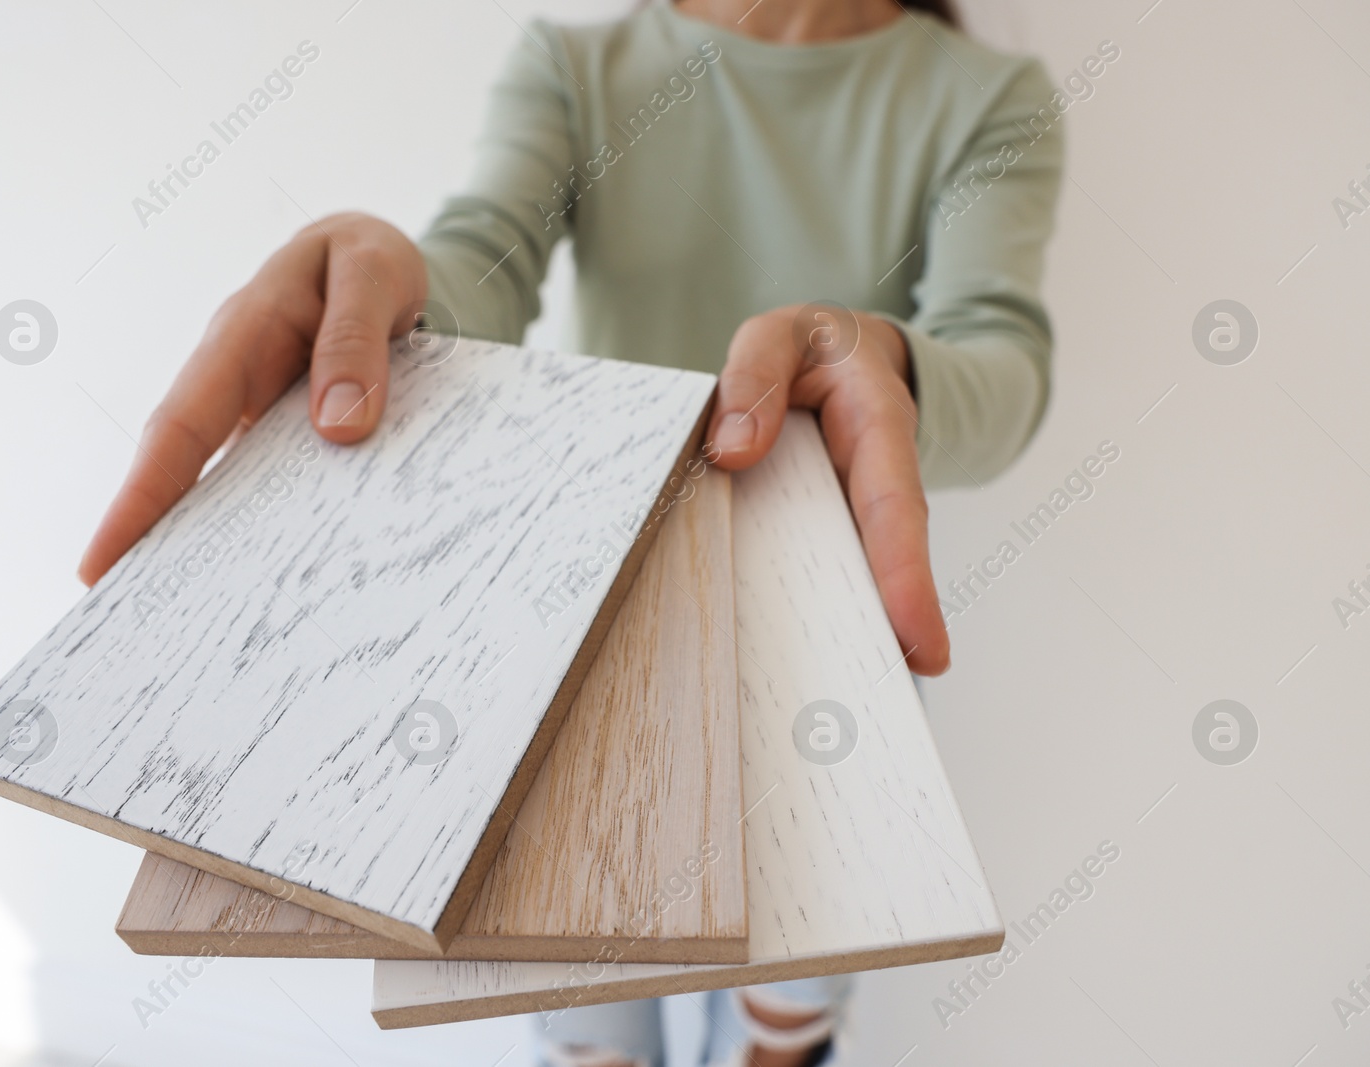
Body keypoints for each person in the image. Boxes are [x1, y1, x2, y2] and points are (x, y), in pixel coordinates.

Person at [78, 0, 1063, 1062]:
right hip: (580, 627)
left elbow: (998, 361)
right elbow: (481, 255)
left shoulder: (987, 97)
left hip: (830, 647)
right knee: (588, 1020)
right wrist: (387, 295)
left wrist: (895, 366)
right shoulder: (579, 63)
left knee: (786, 1018)